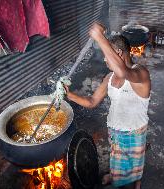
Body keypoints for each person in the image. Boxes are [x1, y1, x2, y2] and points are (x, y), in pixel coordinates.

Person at [64, 23, 151, 189]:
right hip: (115, 131)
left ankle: (132, 184)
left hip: (133, 133)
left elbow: (123, 72)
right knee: (119, 165)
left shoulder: (140, 73)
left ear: (118, 53)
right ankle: (116, 176)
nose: (104, 59)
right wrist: (69, 95)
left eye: (107, 54)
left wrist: (99, 37)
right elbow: (92, 102)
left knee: (132, 173)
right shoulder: (109, 78)